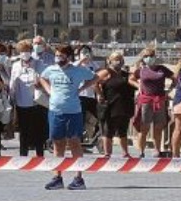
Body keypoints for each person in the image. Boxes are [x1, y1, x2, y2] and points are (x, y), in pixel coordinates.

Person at [38, 44, 98, 190]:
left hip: (73, 111)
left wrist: (82, 88)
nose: (59, 58)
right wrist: (49, 90)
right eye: (57, 55)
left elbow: (96, 77)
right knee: (57, 144)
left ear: (69, 57)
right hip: (55, 110)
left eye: (62, 56)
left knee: (74, 142)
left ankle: (78, 177)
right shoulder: (51, 69)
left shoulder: (78, 70)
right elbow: (42, 78)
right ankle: (57, 177)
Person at [9, 39, 49, 157]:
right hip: (21, 102)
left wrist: (39, 82)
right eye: (22, 51)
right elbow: (12, 83)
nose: (24, 53)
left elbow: (45, 79)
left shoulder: (38, 63)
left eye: (27, 50)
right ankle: (23, 155)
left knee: (38, 130)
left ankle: (39, 154)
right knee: (23, 131)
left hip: (36, 102)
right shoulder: (16, 65)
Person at [133, 47, 174, 157]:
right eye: (146, 56)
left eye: (151, 56)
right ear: (143, 58)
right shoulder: (141, 69)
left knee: (158, 127)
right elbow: (131, 79)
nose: (149, 58)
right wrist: (139, 87)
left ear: (155, 57)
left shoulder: (162, 69)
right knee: (144, 127)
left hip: (159, 100)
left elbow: (175, 78)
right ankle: (141, 151)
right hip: (146, 101)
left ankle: (157, 149)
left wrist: (169, 90)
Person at [95, 50, 136, 157]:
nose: (119, 62)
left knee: (123, 130)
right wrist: (100, 94)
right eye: (116, 59)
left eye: (121, 59)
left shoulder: (125, 74)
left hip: (123, 105)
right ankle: (107, 153)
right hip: (110, 104)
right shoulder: (106, 72)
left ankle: (125, 152)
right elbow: (94, 82)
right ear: (110, 61)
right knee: (108, 130)